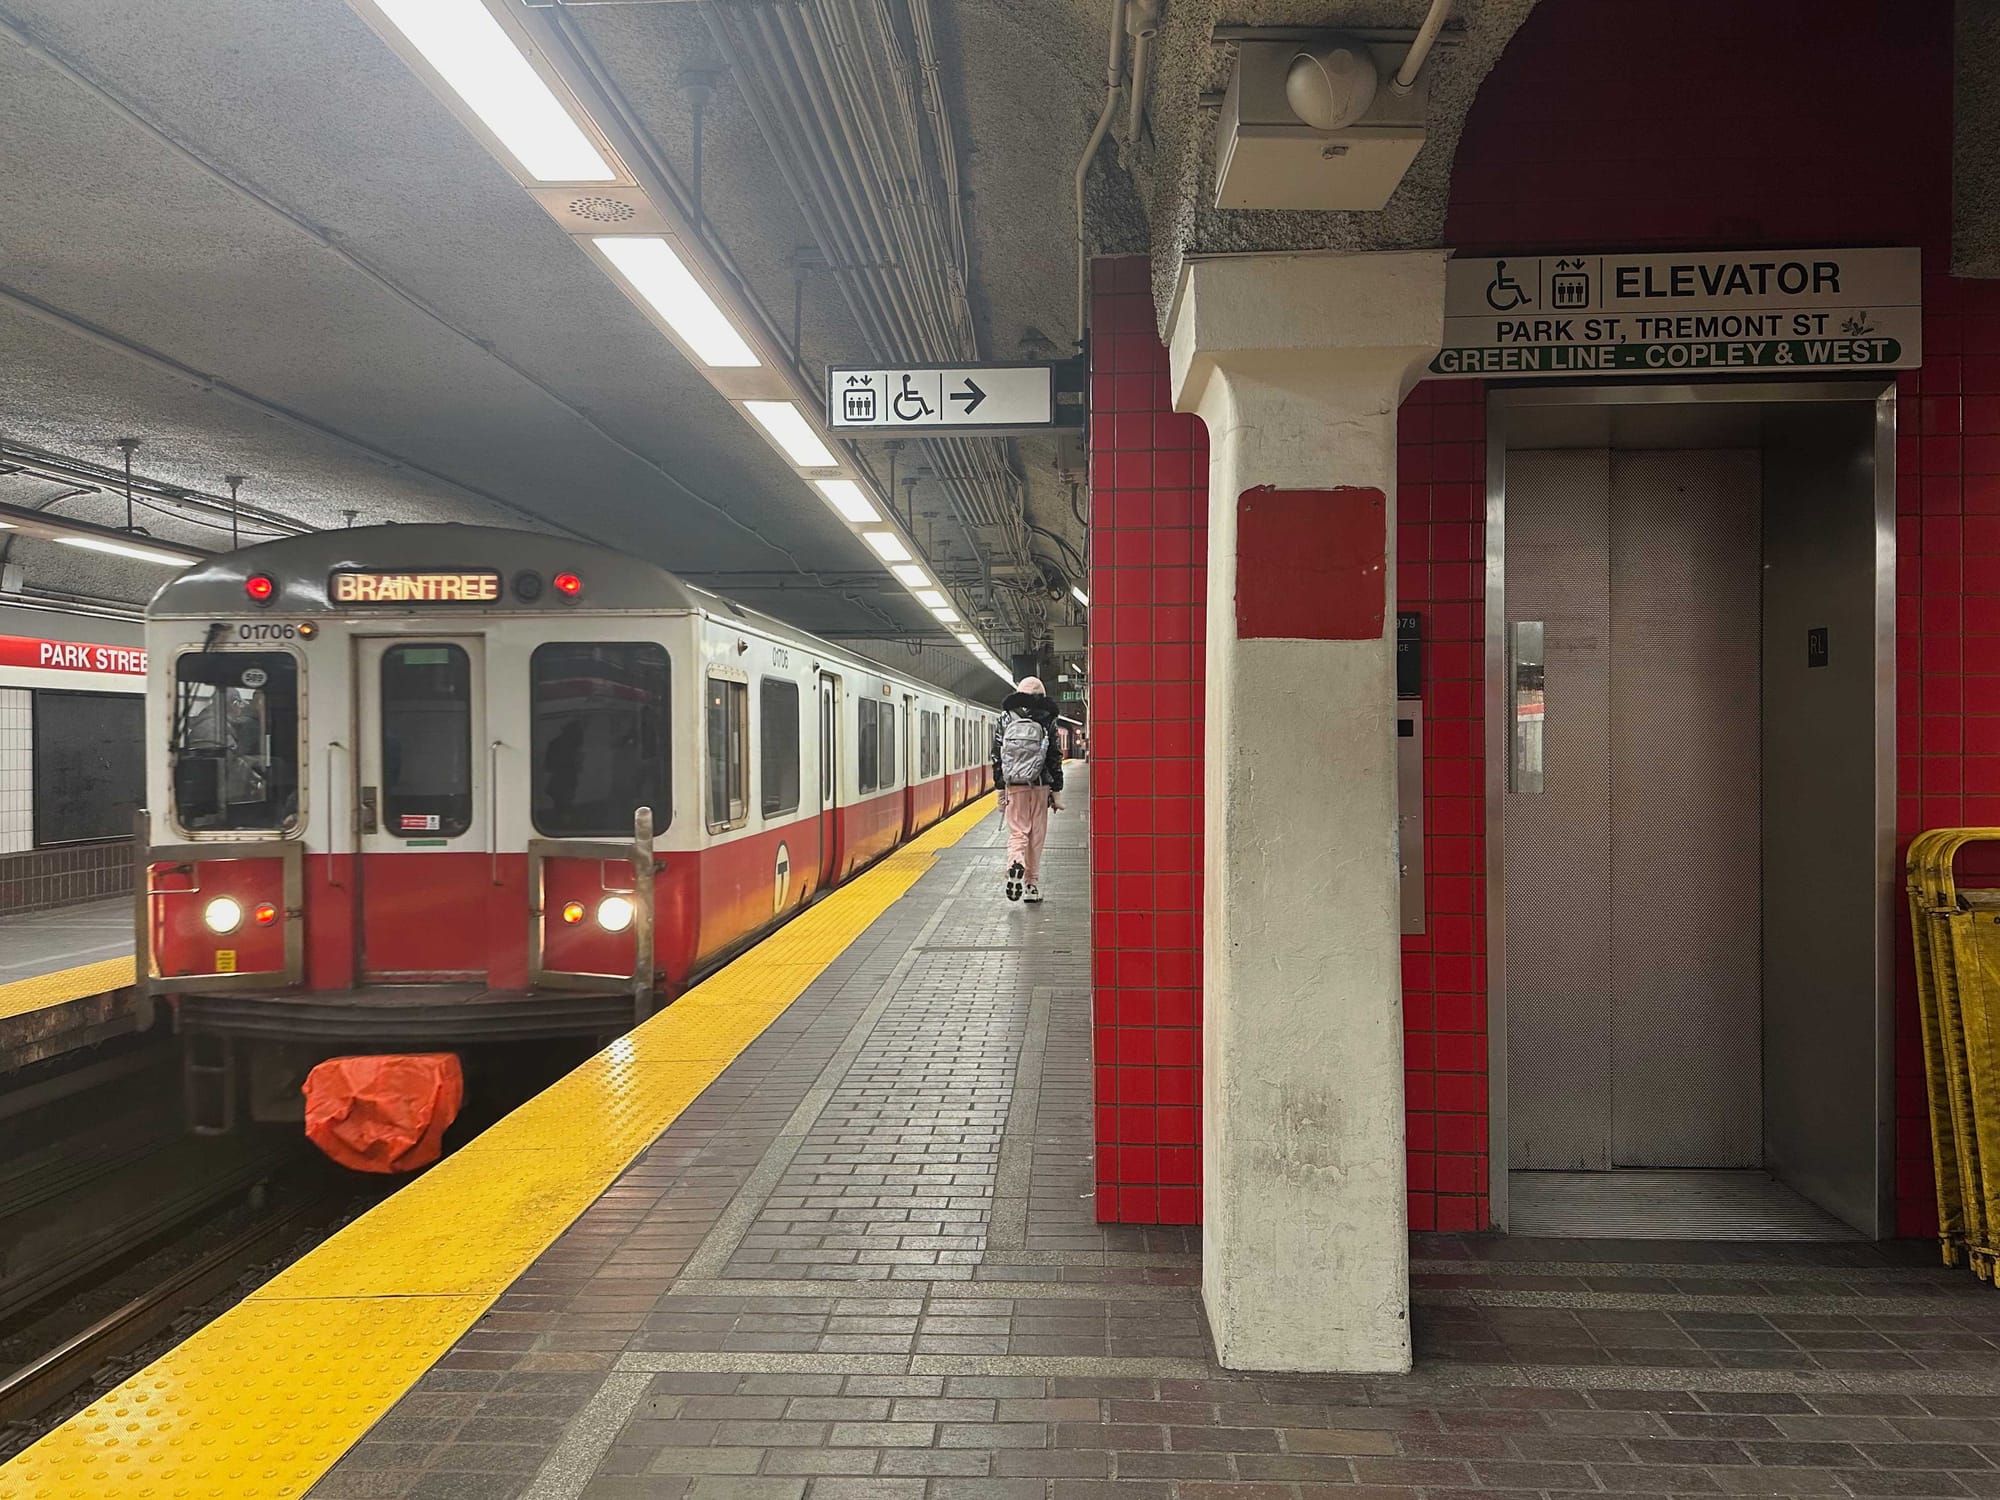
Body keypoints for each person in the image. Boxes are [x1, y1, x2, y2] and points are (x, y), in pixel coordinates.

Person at [992, 675, 1064, 903]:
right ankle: (1031, 886)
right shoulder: (1048, 718)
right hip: (1040, 786)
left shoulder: (1005, 717)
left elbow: (997, 755)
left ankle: (1016, 861)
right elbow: (1054, 756)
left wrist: (1000, 789)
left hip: (1015, 785)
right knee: (1036, 836)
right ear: (1041, 695)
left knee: (1018, 832)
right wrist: (1057, 790)